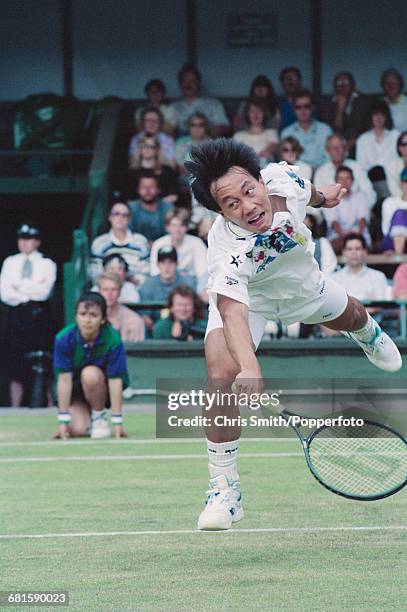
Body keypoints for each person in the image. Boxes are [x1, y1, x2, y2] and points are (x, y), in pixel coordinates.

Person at [185, 138, 402, 531]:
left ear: (260, 180)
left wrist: (327, 196)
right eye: (231, 204)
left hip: (304, 286)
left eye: (249, 191)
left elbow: (311, 192)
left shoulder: (284, 178)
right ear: (220, 211)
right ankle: (224, 487)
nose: (247, 206)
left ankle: (368, 333)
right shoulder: (224, 249)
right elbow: (232, 311)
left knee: (352, 316)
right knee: (220, 373)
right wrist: (249, 367)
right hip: (250, 302)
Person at [53, 292, 129, 440]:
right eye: (83, 314)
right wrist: (63, 420)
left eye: (93, 315)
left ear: (103, 319)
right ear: (76, 316)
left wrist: (117, 421)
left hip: (101, 389)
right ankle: (86, 417)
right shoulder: (63, 338)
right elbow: (64, 380)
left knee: (90, 374)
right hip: (76, 393)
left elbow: (115, 380)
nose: (87, 320)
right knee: (77, 430)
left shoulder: (113, 338)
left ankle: (99, 417)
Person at [0, 223, 57, 407]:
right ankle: (15, 406)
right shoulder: (10, 262)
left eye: (29, 239)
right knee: (14, 362)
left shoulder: (47, 264)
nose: (24, 243)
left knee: (45, 360)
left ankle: (49, 403)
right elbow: (5, 294)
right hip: (16, 317)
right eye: (22, 239)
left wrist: (19, 286)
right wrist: (31, 287)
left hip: (39, 316)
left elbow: (44, 292)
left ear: (37, 242)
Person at [150, 208, 208, 299]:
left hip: (191, 286)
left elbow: (203, 273)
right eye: (174, 225)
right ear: (167, 227)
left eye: (181, 226)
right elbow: (155, 272)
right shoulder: (159, 244)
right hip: (164, 285)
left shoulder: (197, 243)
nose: (178, 230)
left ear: (186, 227)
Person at [90, 201, 150, 286]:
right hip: (106, 288)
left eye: (124, 215)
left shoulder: (140, 241)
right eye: (116, 214)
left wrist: (132, 280)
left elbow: (146, 271)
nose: (120, 218)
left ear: (129, 219)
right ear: (109, 217)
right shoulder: (99, 243)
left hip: (134, 288)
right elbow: (95, 273)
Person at [139, 246, 195, 333]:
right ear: (158, 265)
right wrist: (158, 330)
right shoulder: (148, 284)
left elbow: (193, 310)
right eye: (163, 262)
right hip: (155, 329)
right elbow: (145, 316)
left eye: (170, 262)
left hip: (186, 327)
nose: (167, 267)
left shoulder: (187, 282)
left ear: (176, 264)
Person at [314, 133, 376, 209]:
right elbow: (316, 199)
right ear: (327, 150)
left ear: (345, 148)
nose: (337, 150)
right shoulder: (321, 172)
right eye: (333, 147)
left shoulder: (356, 167)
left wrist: (362, 211)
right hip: (330, 214)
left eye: (340, 147)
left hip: (357, 212)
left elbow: (369, 193)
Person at [169, 64, 229, 137]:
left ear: (199, 83)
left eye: (192, 81)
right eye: (184, 81)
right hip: (180, 144)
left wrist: (202, 131)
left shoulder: (213, 104)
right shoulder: (172, 107)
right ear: (180, 84)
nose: (188, 85)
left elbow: (222, 127)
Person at [323, 166, 371, 253]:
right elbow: (333, 223)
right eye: (341, 179)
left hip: (358, 234)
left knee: (359, 244)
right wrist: (344, 236)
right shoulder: (329, 198)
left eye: (347, 178)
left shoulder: (361, 196)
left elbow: (362, 220)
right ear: (336, 181)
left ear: (352, 180)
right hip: (338, 236)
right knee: (332, 246)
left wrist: (356, 236)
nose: (344, 182)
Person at [319, 71, 370, 153]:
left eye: (346, 83)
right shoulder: (327, 104)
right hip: (335, 145)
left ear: (353, 86)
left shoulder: (363, 102)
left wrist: (353, 141)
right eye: (339, 84)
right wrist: (340, 110)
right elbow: (330, 130)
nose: (342, 87)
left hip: (359, 143)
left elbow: (365, 127)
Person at [281, 89, 332, 169]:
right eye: (298, 107)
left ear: (313, 108)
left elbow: (330, 160)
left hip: (321, 175)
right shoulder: (286, 133)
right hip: (296, 176)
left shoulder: (326, 130)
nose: (303, 110)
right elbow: (285, 162)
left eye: (307, 106)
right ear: (294, 110)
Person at [332, 233, 389, 301]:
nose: (354, 252)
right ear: (344, 252)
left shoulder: (378, 277)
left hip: (370, 312)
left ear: (365, 252)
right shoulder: (334, 279)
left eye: (357, 249)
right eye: (350, 249)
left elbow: (381, 305)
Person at [355, 100, 399, 187]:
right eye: (375, 114)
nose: (379, 118)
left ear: (386, 117)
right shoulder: (362, 139)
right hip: (370, 182)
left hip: (394, 181)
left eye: (382, 115)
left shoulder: (396, 136)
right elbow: (361, 167)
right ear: (370, 117)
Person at [126, 136, 180, 204]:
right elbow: (129, 199)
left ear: (157, 149)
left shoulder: (167, 171)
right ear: (140, 149)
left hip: (163, 210)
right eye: (144, 146)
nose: (147, 149)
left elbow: (174, 195)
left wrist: (156, 206)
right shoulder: (132, 172)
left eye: (151, 146)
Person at [96, 272, 145, 341]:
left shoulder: (134, 320)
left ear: (120, 292)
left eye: (114, 289)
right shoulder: (91, 317)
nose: (109, 294)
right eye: (105, 289)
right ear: (99, 292)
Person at [233, 98, 279, 167]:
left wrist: (267, 151)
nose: (256, 114)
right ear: (247, 114)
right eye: (252, 111)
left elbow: (274, 146)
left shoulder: (271, 133)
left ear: (264, 114)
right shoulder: (238, 136)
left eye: (259, 111)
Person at [129, 174, 173, 244]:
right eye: (143, 187)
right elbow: (127, 234)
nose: (147, 190)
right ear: (138, 189)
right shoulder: (130, 208)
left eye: (151, 186)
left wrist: (156, 245)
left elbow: (171, 235)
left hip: (162, 247)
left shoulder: (168, 208)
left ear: (158, 189)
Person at [381, 168, 407, 254]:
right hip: (391, 241)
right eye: (405, 181)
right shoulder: (389, 202)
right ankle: (398, 257)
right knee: (400, 214)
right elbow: (385, 229)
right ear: (401, 183)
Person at [381, 68, 407, 132]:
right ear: (383, 86)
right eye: (387, 83)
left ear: (400, 84)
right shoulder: (378, 104)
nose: (390, 85)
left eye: (394, 82)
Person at [277, 66, 302, 130]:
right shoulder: (276, 103)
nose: (290, 81)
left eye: (293, 78)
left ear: (299, 81)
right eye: (287, 78)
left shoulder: (309, 101)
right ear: (282, 83)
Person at [384, 131, 407, 197]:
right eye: (404, 144)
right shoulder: (390, 166)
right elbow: (395, 191)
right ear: (399, 147)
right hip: (400, 201)